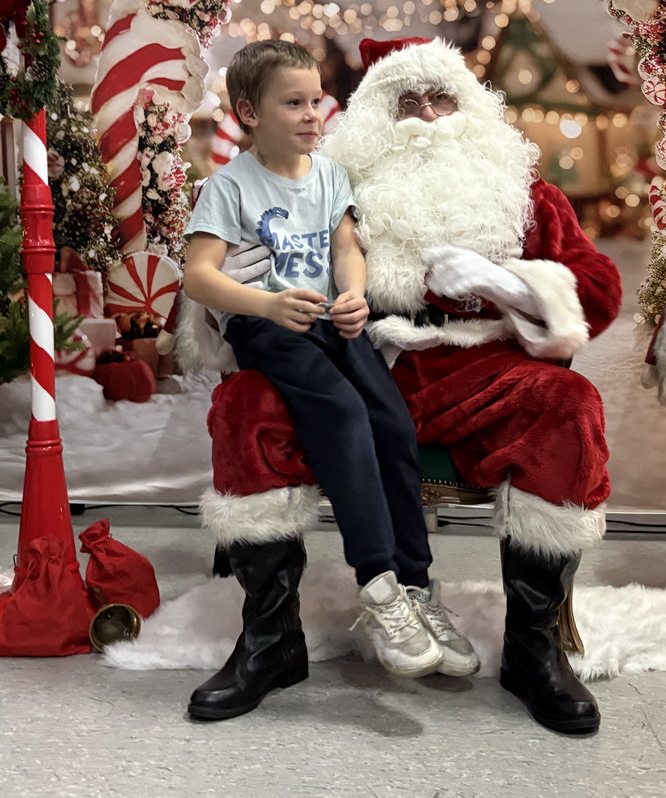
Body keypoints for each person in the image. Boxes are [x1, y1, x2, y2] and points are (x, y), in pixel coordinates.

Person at [199, 36, 622, 735]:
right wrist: (238, 290)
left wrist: (507, 284)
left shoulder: (525, 195)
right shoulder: (333, 183)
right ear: (374, 118)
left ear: (471, 108)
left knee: (567, 405)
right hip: (364, 360)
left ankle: (533, 648)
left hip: (483, 371)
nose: (427, 115)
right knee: (245, 404)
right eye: (407, 101)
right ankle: (271, 641)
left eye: (441, 98)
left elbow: (599, 293)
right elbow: (241, 264)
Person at [182, 40, 479, 722]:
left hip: (328, 321)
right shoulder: (229, 187)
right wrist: (265, 306)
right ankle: (378, 586)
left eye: (315, 100)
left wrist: (353, 294)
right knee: (342, 414)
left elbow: (346, 249)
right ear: (249, 113)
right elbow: (200, 276)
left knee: (391, 420)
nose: (313, 115)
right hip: (269, 326)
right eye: (294, 103)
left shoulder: (330, 176)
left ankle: (416, 587)